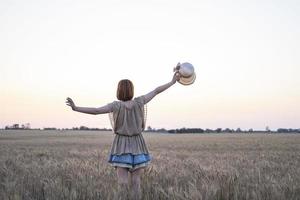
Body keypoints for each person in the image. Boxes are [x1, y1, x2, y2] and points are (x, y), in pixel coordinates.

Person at [65, 65, 181, 199]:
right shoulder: (139, 102)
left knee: (122, 184)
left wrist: (76, 108)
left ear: (118, 91)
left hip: (121, 145)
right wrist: (172, 82)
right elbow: (156, 91)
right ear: (132, 90)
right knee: (136, 183)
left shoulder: (115, 106)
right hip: (138, 144)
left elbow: (96, 111)